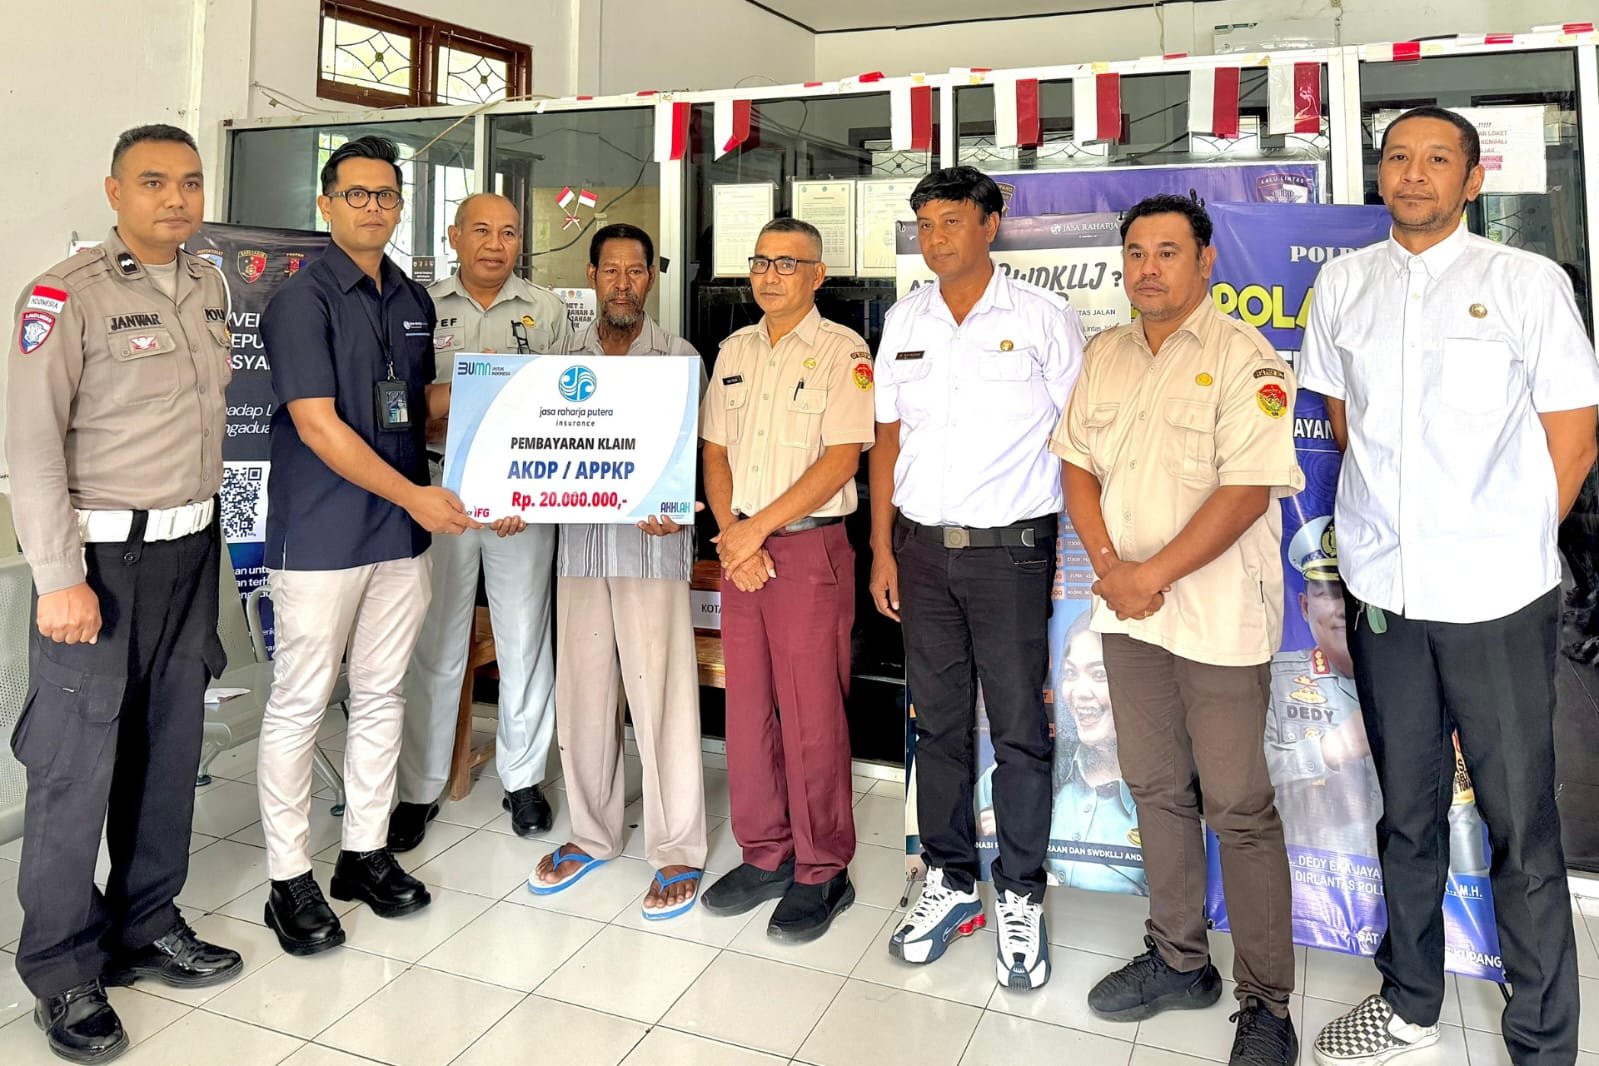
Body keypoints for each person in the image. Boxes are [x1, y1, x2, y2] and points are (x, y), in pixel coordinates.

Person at [1301, 105, 1599, 1066]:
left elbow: (1572, 435)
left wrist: (1504, 547)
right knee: (1407, 813)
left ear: (1473, 181)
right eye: (1397, 158)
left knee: (1522, 826)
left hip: (1495, 604)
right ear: (1378, 174)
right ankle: (1410, 1002)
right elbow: (1343, 422)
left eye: (1437, 160)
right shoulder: (1343, 285)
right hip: (1386, 595)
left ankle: (1543, 1041)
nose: (1414, 174)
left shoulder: (1525, 282)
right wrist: (1397, 534)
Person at [4, 124, 243, 1063]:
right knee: (75, 770)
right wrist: (60, 579)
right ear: (114, 192)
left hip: (187, 554)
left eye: (188, 183)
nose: (176, 199)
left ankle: (146, 925)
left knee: (168, 747)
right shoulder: (65, 295)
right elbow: (28, 446)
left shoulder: (208, 284)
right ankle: (62, 969)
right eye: (153, 183)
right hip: (99, 567)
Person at [1058, 194, 1303, 1066]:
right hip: (1129, 616)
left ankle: (1267, 1004)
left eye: (1167, 251)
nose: (1147, 268)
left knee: (1238, 807)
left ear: (1205, 261)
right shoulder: (1104, 355)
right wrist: (1110, 569)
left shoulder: (1248, 359)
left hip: (1216, 618)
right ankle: (1177, 959)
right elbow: (1077, 465)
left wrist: (1146, 577)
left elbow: (1244, 492)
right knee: (1156, 788)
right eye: (1134, 252)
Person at [256, 135, 480, 957]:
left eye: (386, 194)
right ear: (325, 203)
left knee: (383, 695)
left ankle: (363, 852)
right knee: (301, 703)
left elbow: (415, 411)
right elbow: (319, 427)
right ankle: (288, 881)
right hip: (321, 534)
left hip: (399, 534)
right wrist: (418, 495)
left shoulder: (409, 296)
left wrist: (512, 425)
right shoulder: (300, 300)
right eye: (357, 194)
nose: (374, 207)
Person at [871, 166, 1084, 990]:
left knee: (1021, 732)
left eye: (950, 221)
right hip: (922, 553)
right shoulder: (903, 319)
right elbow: (886, 439)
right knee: (940, 726)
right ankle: (951, 878)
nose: (934, 238)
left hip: (1010, 554)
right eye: (923, 224)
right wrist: (883, 549)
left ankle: (1020, 895)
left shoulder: (1041, 318)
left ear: (990, 225)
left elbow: (1077, 437)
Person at [699, 217, 875, 942]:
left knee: (810, 718)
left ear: (817, 274)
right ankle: (765, 853)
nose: (768, 276)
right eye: (760, 262)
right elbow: (714, 451)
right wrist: (735, 537)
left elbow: (841, 461)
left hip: (805, 554)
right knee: (746, 713)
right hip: (743, 551)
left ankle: (821, 868)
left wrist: (754, 531)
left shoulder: (843, 351)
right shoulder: (735, 349)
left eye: (786, 263)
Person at [528, 223, 709, 919]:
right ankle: (592, 834)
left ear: (651, 278)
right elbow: (535, 449)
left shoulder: (680, 357)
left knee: (661, 701)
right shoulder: (557, 358)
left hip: (651, 549)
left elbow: (697, 457)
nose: (624, 284)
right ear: (592, 275)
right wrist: (515, 498)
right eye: (611, 271)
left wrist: (681, 505)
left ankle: (675, 849)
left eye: (636, 272)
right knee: (583, 696)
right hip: (577, 548)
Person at [389, 192, 571, 850]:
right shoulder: (417, 307)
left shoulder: (544, 310)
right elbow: (402, 404)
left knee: (525, 638)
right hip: (441, 490)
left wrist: (533, 484)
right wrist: (450, 399)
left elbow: (564, 405)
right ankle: (418, 787)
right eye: (482, 231)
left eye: (509, 232)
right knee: (435, 643)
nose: (495, 243)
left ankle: (523, 780)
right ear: (455, 236)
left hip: (522, 498)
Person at [976, 612, 1146, 895]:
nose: (1079, 692)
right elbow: (926, 861)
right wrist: (981, 833)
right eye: (1069, 673)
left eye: (1098, 674)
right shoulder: (1020, 768)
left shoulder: (1158, 795)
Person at [1265, 516, 1379, 855]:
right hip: (1308, 874)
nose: (1345, 610)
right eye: (1329, 593)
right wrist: (1328, 750)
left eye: (1354, 592)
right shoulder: (1273, 679)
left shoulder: (1420, 678)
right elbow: (1238, 776)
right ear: (1304, 606)